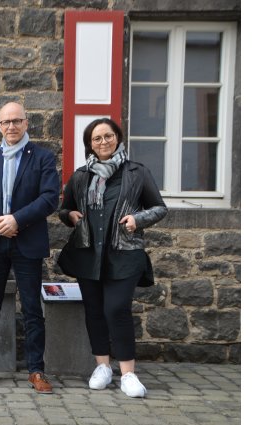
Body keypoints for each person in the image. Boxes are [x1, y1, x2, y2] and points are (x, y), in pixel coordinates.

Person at [57, 117, 167, 398]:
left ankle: (128, 373)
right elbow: (64, 209)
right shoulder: (81, 176)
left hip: (125, 252)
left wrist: (137, 219)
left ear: (117, 138)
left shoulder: (137, 172)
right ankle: (103, 367)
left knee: (116, 309)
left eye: (108, 136)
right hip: (88, 253)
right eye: (97, 138)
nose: (103, 142)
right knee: (94, 311)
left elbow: (158, 207)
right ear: (90, 144)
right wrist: (69, 215)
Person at [0, 102, 60, 394]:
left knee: (32, 308)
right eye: (5, 122)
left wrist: (17, 219)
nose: (11, 127)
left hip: (27, 241)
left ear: (26, 123)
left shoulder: (42, 158)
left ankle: (36, 370)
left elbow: (49, 198)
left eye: (16, 121)